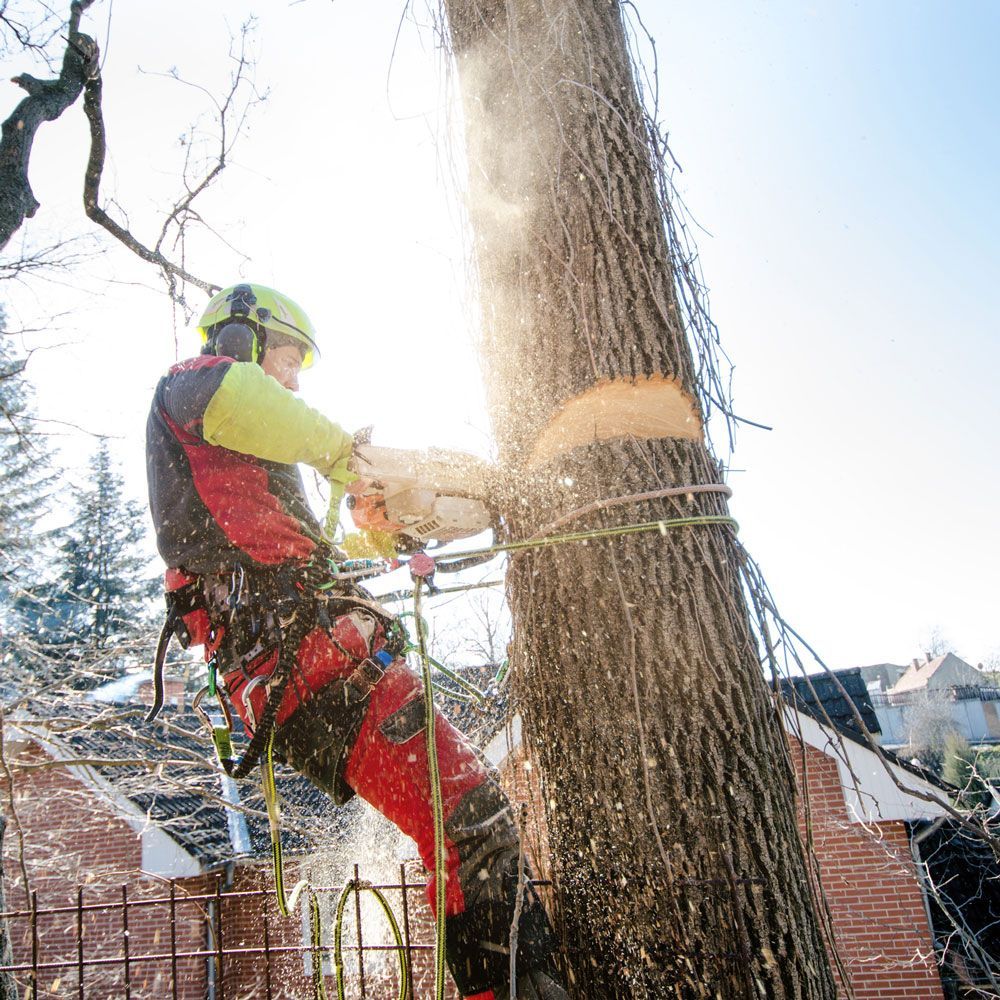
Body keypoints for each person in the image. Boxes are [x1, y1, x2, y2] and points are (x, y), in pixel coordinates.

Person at [145, 283, 568, 1000]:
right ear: (242, 339)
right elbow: (260, 408)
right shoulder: (193, 389)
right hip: (307, 670)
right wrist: (349, 457)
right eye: (288, 357)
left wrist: (387, 531)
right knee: (472, 824)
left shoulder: (248, 465)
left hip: (318, 664)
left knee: (467, 827)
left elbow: (305, 555)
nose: (295, 377)